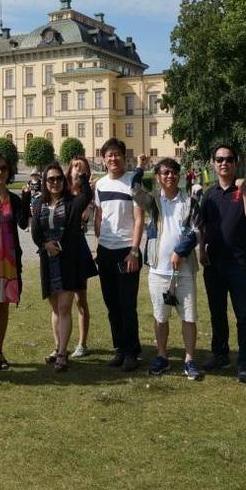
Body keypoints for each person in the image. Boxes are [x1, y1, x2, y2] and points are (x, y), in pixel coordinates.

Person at [199, 145, 246, 383]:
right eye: (219, 159)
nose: (224, 163)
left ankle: (244, 361)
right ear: (214, 164)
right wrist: (201, 249)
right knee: (217, 313)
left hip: (238, 264)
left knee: (243, 315)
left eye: (228, 159)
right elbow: (202, 225)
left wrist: (244, 192)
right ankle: (220, 353)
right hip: (213, 263)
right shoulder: (209, 194)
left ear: (235, 163)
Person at [144, 157, 204, 380]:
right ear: (158, 176)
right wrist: (141, 168)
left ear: (178, 176)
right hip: (158, 270)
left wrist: (180, 251)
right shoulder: (153, 202)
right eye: (165, 173)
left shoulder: (189, 202)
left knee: (188, 316)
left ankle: (189, 360)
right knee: (161, 316)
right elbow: (134, 191)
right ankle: (162, 356)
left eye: (173, 172)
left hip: (184, 270)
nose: (169, 176)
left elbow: (196, 231)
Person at [31, 161, 92, 373]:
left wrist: (82, 175)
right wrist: (44, 245)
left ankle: (63, 353)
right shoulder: (39, 204)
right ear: (45, 182)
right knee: (55, 308)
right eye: (51, 179)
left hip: (67, 260)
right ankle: (57, 347)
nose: (55, 182)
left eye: (58, 179)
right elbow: (35, 232)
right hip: (48, 261)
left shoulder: (72, 202)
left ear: (63, 181)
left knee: (65, 307)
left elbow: (87, 196)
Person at [94, 138, 144, 371]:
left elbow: (139, 219)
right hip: (106, 251)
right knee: (112, 304)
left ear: (124, 157)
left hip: (126, 251)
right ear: (104, 160)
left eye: (117, 154)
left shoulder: (133, 182)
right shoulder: (101, 185)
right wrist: (98, 242)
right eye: (109, 155)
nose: (113, 158)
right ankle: (119, 349)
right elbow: (99, 216)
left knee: (127, 304)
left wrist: (134, 250)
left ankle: (132, 352)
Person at [0, 152, 30, 373]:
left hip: (9, 259)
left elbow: (22, 224)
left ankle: (0, 349)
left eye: (3, 169)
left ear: (9, 172)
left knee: (4, 306)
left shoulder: (15, 199)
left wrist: (27, 199)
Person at [65, 156, 98, 358]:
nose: (78, 170)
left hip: (78, 249)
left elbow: (86, 219)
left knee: (80, 299)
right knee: (61, 300)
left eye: (82, 168)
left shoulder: (89, 196)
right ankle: (61, 343)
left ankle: (82, 343)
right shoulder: (61, 191)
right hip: (61, 250)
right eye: (75, 166)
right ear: (69, 170)